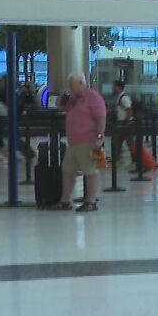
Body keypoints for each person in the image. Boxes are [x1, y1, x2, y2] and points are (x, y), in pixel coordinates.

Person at [49, 73, 106, 213]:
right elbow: (60, 106)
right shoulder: (74, 98)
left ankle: (90, 201)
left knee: (90, 171)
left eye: (73, 85)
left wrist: (99, 136)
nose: (71, 88)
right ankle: (65, 200)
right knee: (68, 171)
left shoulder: (92, 97)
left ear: (82, 83)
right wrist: (62, 96)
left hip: (88, 141)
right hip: (73, 142)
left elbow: (101, 117)